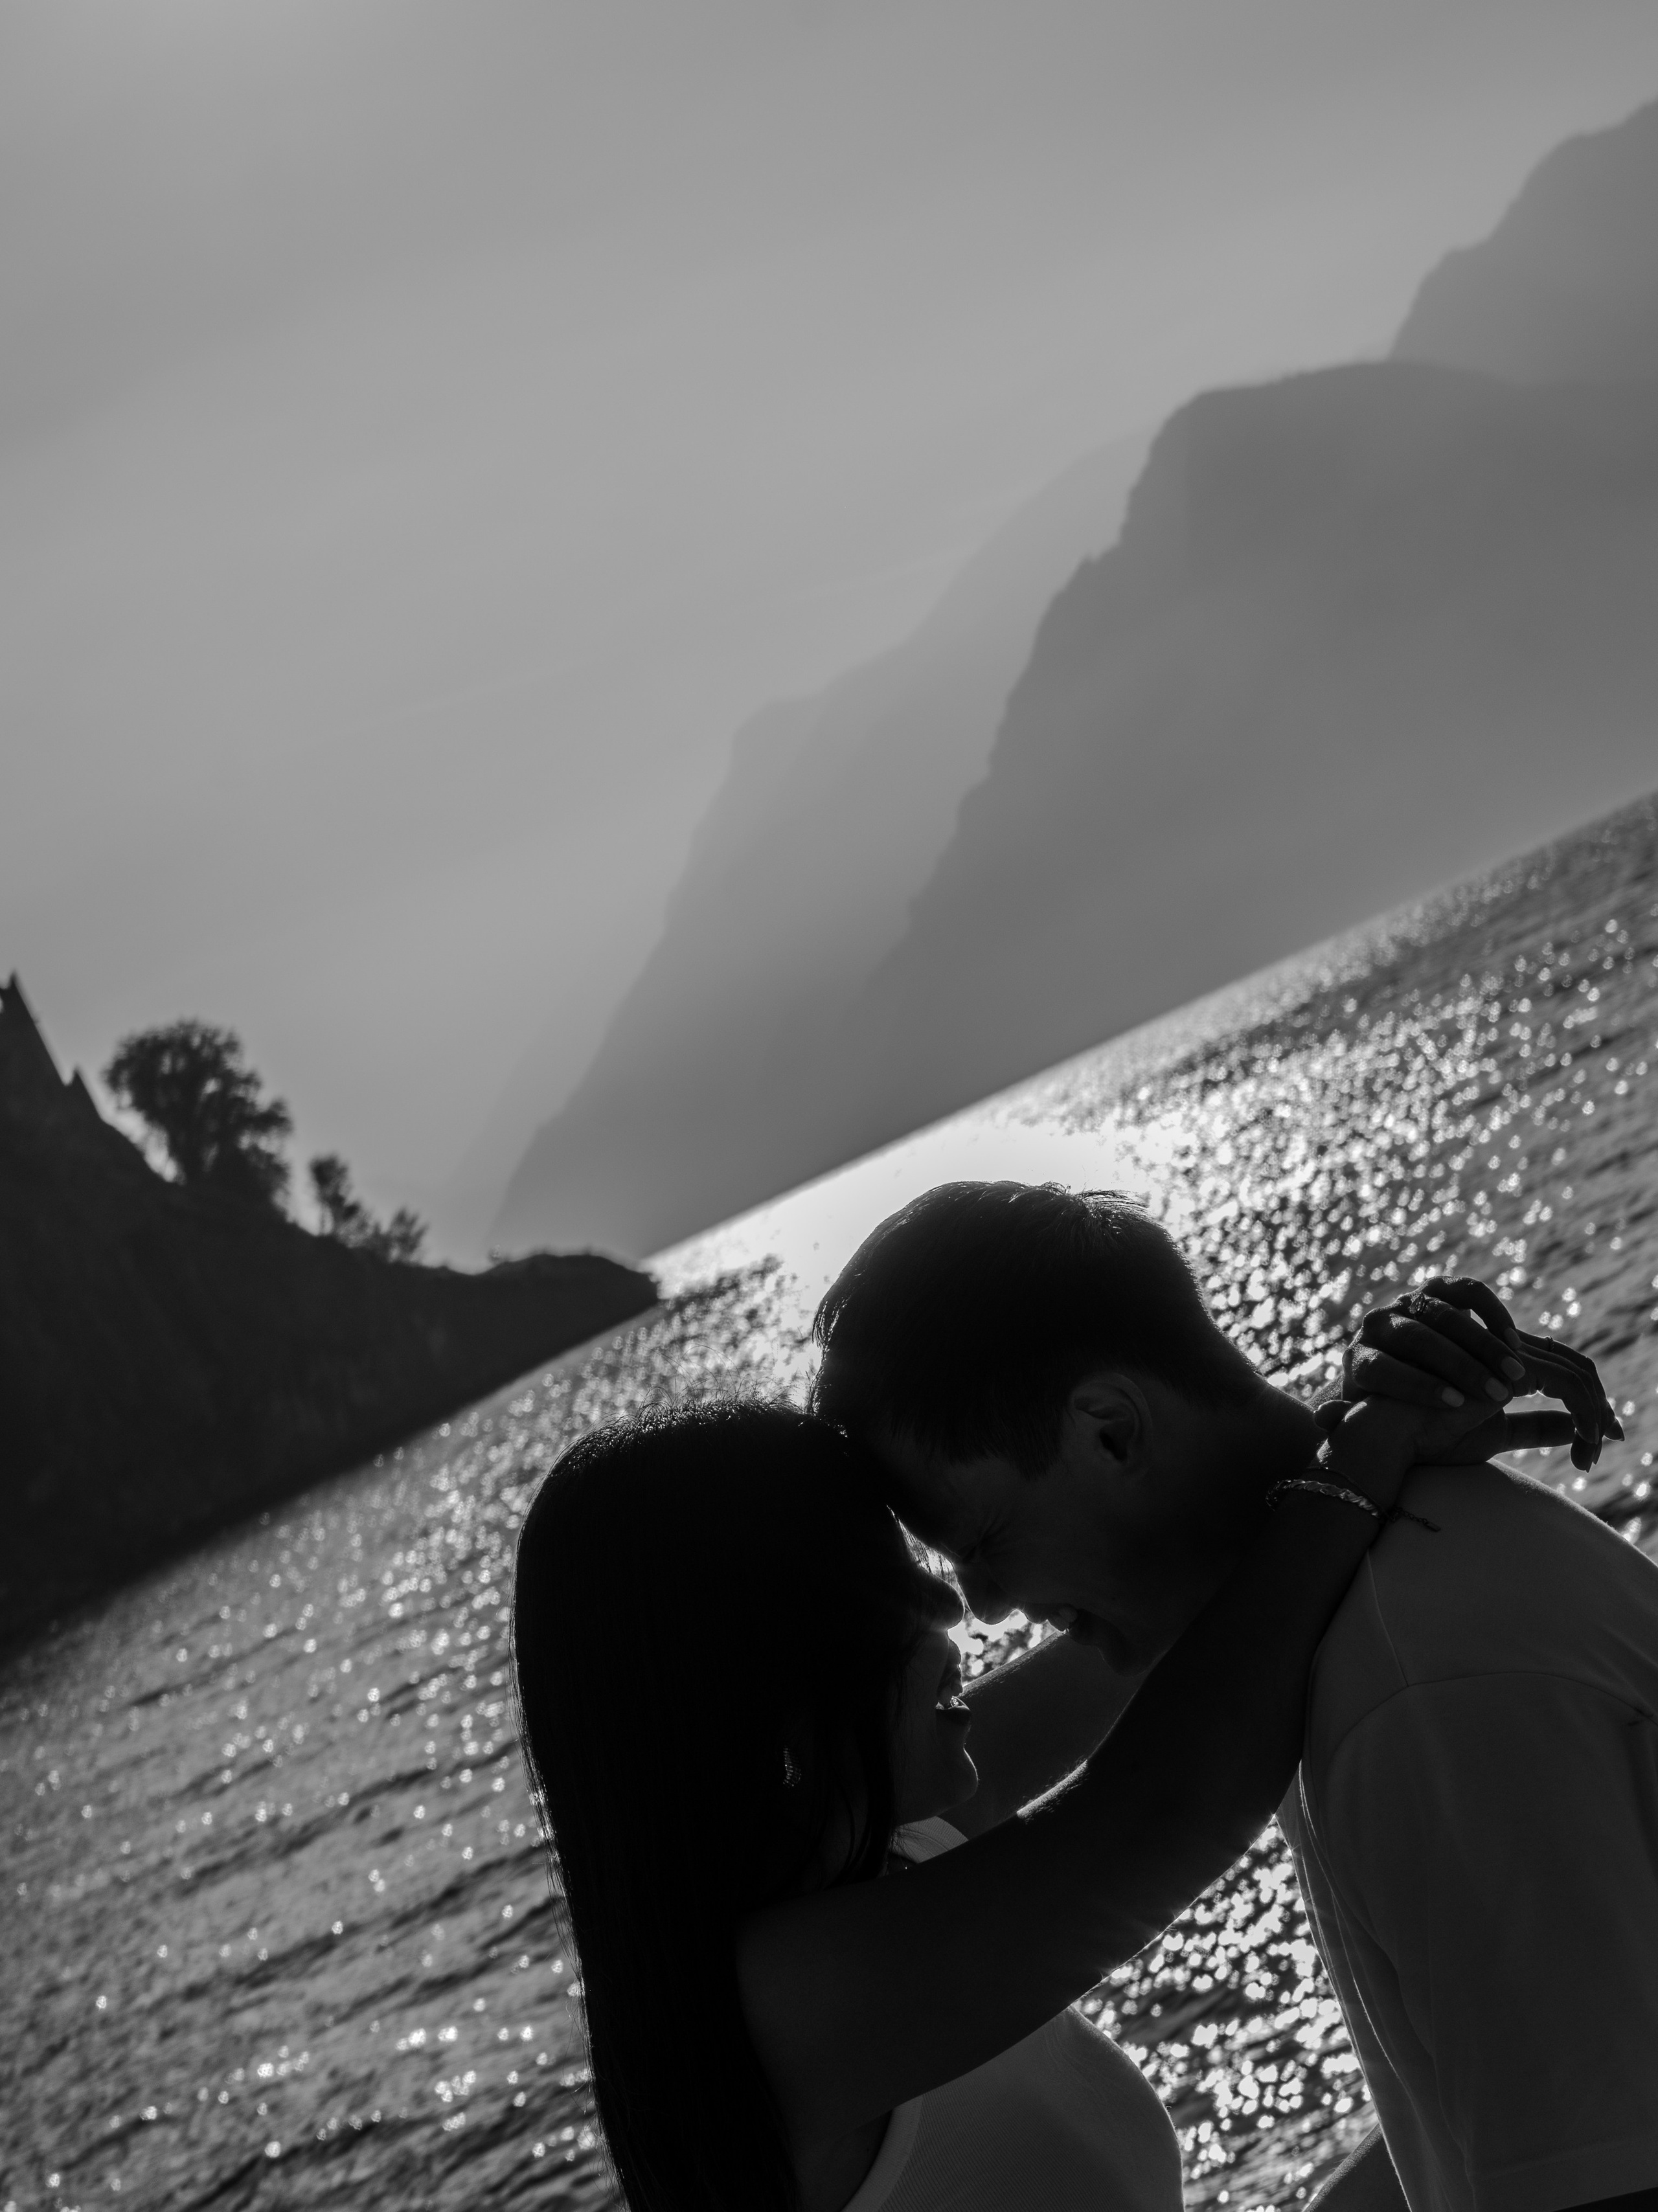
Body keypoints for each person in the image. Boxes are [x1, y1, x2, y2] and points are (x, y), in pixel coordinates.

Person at [512, 1298, 1577, 2212]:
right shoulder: (772, 2014)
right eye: (884, 1586)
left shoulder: (885, 1844)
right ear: (757, 1687)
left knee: (1514, 2099)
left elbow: (1143, 1633)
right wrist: (1354, 1467)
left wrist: (1366, 1419)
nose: (950, 1602)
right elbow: (1162, 1808)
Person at [812, 1180, 1648, 2212]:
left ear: (1111, 1432)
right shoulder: (1344, 1621)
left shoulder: (1410, 1689)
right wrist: (1343, 1455)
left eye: (981, 1543)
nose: (982, 1611)